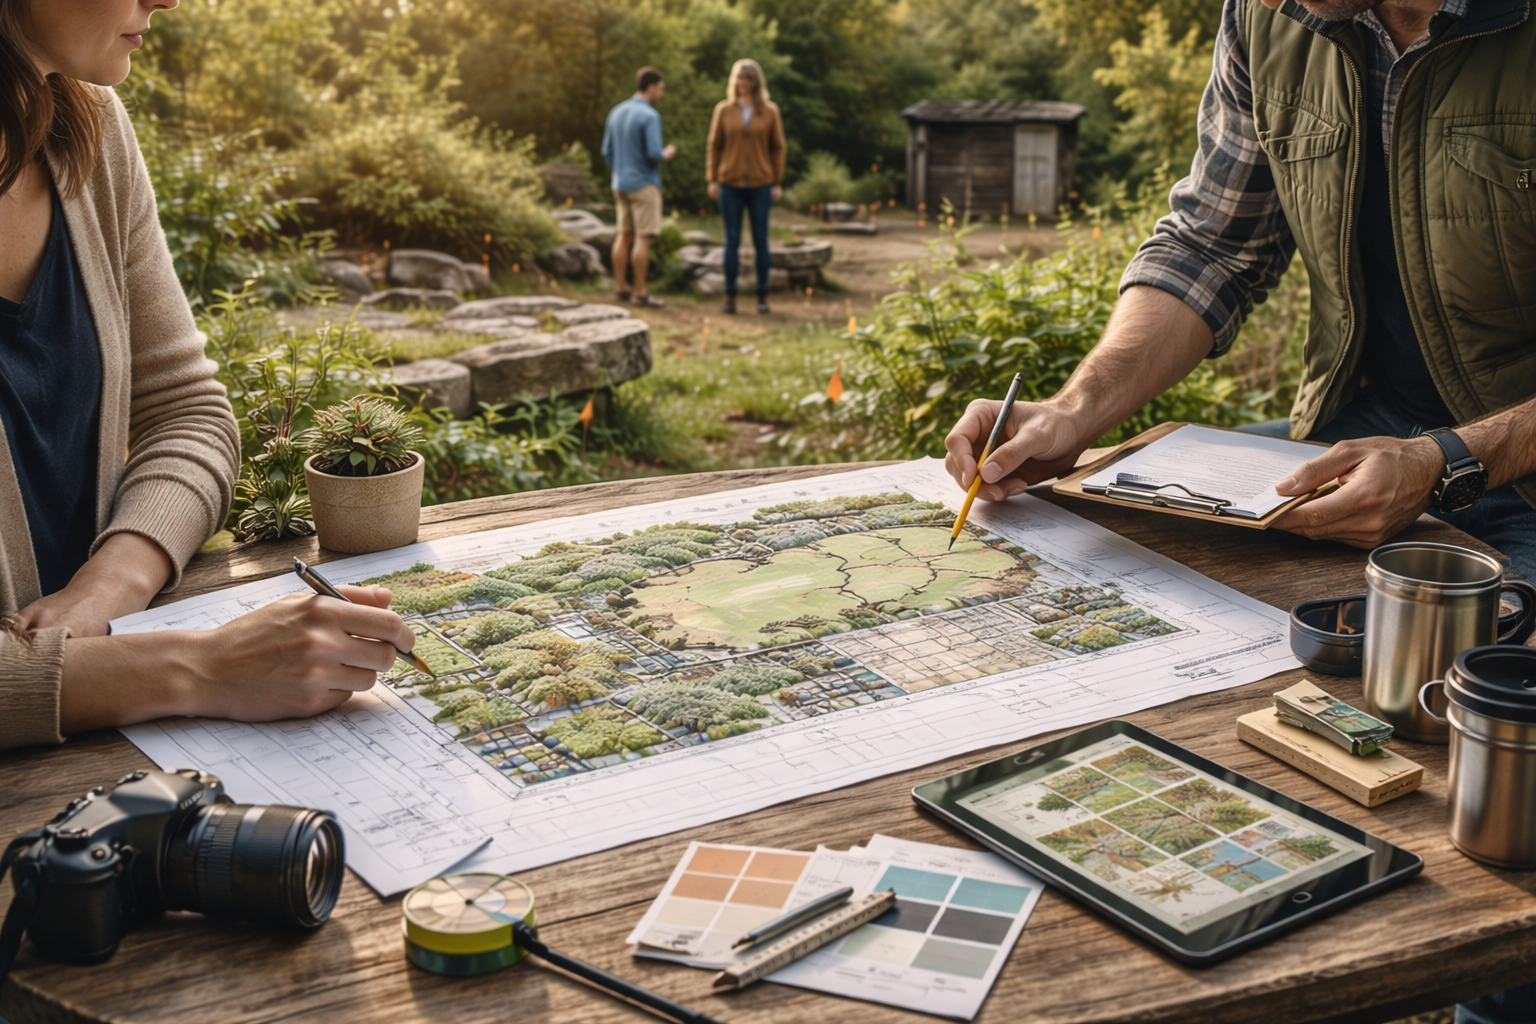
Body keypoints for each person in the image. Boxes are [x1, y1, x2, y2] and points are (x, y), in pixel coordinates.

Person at [945, 1, 1536, 1019]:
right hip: (1341, 454)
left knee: (1493, 826)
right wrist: (1077, 408)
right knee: (1215, 736)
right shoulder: (1273, 15)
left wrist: (1449, 458)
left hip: (1514, 469)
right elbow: (1211, 244)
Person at [0, 0, 417, 752]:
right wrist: (196, 667)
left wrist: (109, 585)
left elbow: (186, 411)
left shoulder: (90, 124)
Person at [706, 59, 786, 315]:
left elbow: (779, 147)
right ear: (734, 81)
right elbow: (714, 145)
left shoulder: (770, 111)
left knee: (761, 241)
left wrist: (776, 181)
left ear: (756, 82)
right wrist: (712, 179)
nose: (743, 83)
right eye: (739, 78)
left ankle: (762, 296)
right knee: (732, 241)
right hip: (729, 184)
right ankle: (730, 296)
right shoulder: (724, 109)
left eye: (747, 79)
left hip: (761, 185)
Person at [601, 66, 677, 309]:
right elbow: (654, 153)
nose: (661, 94)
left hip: (619, 183)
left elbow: (606, 151)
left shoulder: (616, 111)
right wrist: (668, 153)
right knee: (643, 239)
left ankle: (620, 287)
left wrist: (620, 170)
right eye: (661, 89)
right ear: (652, 86)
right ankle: (640, 293)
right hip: (644, 184)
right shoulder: (650, 115)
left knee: (623, 236)